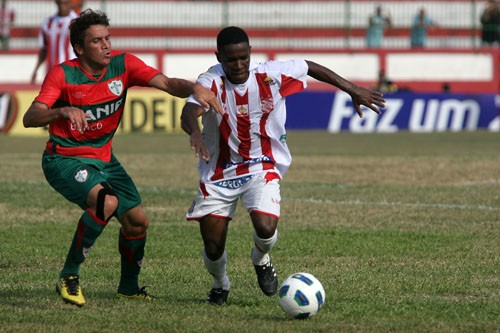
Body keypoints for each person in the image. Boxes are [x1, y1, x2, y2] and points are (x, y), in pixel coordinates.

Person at [23, 9, 221, 307]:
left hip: (105, 159)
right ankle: (68, 275)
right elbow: (30, 117)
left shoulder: (123, 64)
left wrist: (194, 87)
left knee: (137, 222)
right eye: (96, 41)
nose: (106, 46)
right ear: (79, 48)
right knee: (107, 202)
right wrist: (61, 111)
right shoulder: (62, 74)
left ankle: (128, 288)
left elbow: (167, 84)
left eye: (107, 39)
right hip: (63, 159)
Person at [180, 26, 386, 305]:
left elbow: (309, 66)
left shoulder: (270, 74)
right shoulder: (211, 80)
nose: (238, 65)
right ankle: (220, 284)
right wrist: (193, 129)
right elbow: (190, 110)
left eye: (243, 58)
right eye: (231, 60)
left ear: (250, 53)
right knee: (213, 246)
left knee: (265, 227)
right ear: (219, 57)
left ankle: (261, 257)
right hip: (219, 170)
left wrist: (352, 89)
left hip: (261, 165)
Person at [31, 0, 77, 84]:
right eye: (60, 3)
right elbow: (44, 49)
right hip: (52, 71)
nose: (62, 6)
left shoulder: (77, 22)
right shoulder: (47, 22)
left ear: (71, 3)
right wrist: (36, 69)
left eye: (65, 3)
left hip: (72, 71)